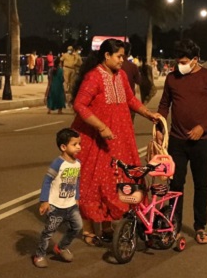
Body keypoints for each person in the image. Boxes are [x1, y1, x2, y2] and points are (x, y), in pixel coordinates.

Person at [70, 38, 161, 246]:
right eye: (119, 56)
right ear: (106, 56)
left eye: (124, 56)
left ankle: (109, 225)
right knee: (93, 183)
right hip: (96, 139)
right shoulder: (94, 77)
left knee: (118, 180)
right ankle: (88, 229)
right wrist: (101, 127)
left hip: (120, 138)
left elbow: (130, 99)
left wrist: (148, 114)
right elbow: (80, 105)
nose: (122, 61)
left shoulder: (120, 76)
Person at [157, 39, 207, 245]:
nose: (181, 64)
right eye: (178, 60)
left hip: (202, 142)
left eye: (185, 61)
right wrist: (160, 127)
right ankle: (174, 226)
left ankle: (200, 227)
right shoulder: (172, 78)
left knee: (201, 185)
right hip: (177, 142)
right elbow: (164, 105)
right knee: (175, 185)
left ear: (195, 60)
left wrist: (203, 127)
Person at [33, 128, 82, 268]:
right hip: (56, 206)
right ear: (63, 147)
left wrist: (77, 197)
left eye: (79, 143)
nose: (79, 147)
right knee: (49, 232)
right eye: (75, 144)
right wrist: (44, 201)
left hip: (71, 205)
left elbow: (77, 181)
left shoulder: (78, 163)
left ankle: (61, 247)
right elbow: (47, 181)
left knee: (77, 227)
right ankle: (39, 255)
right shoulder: (58, 163)